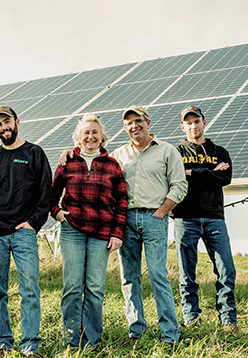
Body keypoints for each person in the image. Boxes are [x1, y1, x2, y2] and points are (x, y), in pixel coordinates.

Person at [60, 105, 187, 344]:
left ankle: (170, 333)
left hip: (154, 218)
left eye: (138, 120)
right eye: (128, 122)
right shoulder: (118, 155)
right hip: (124, 220)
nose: (134, 126)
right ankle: (136, 330)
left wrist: (160, 212)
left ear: (148, 122)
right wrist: (70, 152)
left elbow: (179, 186)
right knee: (129, 277)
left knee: (158, 275)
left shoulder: (168, 151)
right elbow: (96, 163)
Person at [51, 113, 128, 349]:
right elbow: (51, 194)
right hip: (72, 230)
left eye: (95, 132)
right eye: (86, 132)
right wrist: (56, 212)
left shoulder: (113, 165)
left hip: (101, 233)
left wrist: (117, 232)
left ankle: (92, 339)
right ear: (78, 136)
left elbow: (122, 200)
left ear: (102, 137)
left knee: (95, 288)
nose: (90, 136)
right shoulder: (67, 162)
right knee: (72, 286)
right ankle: (72, 339)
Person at [0, 105, 52, 358]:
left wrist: (33, 223)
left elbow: (45, 192)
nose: (4, 127)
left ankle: (30, 346)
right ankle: (2, 344)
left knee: (30, 289)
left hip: (23, 233)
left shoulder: (34, 153)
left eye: (7, 122)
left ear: (17, 122)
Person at [172, 105, 239, 333]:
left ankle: (228, 320)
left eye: (196, 121)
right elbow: (173, 176)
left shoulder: (220, 151)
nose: (193, 126)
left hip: (214, 218)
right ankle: (192, 320)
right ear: (183, 126)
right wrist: (210, 173)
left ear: (204, 122)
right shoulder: (175, 152)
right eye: (188, 123)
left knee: (226, 269)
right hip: (184, 217)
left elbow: (225, 176)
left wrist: (191, 172)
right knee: (187, 272)